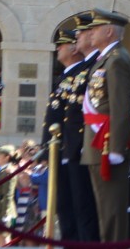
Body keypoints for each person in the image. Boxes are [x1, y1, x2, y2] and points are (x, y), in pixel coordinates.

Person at [81, 8, 130, 242]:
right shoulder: (106, 59)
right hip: (98, 142)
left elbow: (121, 107)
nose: (91, 33)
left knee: (112, 210)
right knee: (104, 210)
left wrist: (116, 148)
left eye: (95, 29)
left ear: (108, 31)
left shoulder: (117, 60)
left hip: (107, 145)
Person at [41, 26, 99, 241]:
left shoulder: (86, 70)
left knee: (81, 208)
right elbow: (55, 115)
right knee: (66, 209)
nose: (57, 49)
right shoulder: (68, 75)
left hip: (75, 148)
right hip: (62, 147)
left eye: (62, 44)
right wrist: (47, 147)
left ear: (73, 48)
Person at [0, 145, 17, 246]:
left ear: (7, 157)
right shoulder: (1, 170)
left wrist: (5, 214)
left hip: (3, 209)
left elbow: (8, 195)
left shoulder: (8, 171)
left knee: (4, 236)